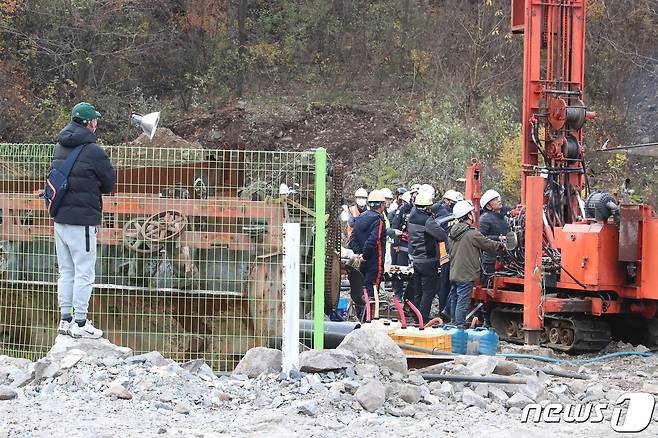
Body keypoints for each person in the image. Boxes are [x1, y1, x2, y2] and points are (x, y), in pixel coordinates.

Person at [52, 102, 116, 339]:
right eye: (95, 120)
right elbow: (109, 183)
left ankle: (65, 320)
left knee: (66, 271)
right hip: (83, 221)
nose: (96, 123)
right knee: (84, 272)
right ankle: (80, 323)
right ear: (89, 123)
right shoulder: (93, 150)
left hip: (60, 219)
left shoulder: (60, 145)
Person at [448, 200, 505, 326]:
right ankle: (459, 327)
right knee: (462, 302)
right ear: (468, 215)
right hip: (466, 273)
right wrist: (502, 245)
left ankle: (453, 323)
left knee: (455, 299)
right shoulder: (472, 233)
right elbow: (488, 244)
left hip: (454, 272)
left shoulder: (452, 232)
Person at [408, 191, 447, 324]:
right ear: (426, 207)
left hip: (416, 259)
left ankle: (416, 316)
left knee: (418, 291)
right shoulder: (427, 220)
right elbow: (441, 235)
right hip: (428, 260)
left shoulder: (412, 216)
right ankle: (423, 319)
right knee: (428, 292)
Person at [351, 190, 388, 303]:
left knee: (361, 291)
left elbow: (353, 238)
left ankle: (361, 315)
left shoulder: (360, 217)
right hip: (374, 262)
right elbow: (373, 240)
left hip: (361, 261)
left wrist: (359, 255)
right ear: (381, 205)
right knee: (372, 294)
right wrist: (365, 256)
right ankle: (369, 318)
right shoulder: (378, 220)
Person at [433, 189, 463, 319]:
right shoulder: (448, 217)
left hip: (446, 255)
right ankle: (445, 312)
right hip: (446, 255)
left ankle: (444, 311)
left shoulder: (441, 216)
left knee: (445, 285)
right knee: (446, 286)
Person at [478, 189, 510, 288]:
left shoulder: (505, 218)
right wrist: (499, 238)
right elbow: (481, 238)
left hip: (505, 257)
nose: (498, 200)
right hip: (490, 259)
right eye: (495, 199)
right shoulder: (485, 218)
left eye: (498, 198)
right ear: (488, 206)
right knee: (487, 283)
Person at [389, 190, 413, 300]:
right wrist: (396, 244)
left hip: (413, 246)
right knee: (400, 270)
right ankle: (398, 293)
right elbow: (396, 226)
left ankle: (407, 295)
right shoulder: (401, 211)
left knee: (411, 272)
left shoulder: (415, 211)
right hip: (403, 245)